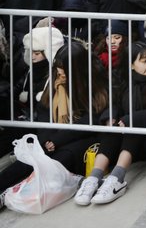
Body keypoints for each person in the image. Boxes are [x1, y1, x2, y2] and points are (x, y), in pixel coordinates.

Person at [0, 42, 108, 196]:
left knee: (54, 162)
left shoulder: (93, 83)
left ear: (76, 69)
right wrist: (46, 140)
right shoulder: (55, 81)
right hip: (52, 136)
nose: (59, 72)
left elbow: (90, 120)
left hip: (81, 139)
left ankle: (10, 194)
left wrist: (56, 140)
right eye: (58, 67)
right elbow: (43, 111)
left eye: (64, 68)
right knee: (31, 159)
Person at [74, 43, 146, 205]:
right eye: (144, 61)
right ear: (131, 65)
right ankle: (93, 178)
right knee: (113, 128)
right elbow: (114, 104)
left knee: (134, 125)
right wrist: (110, 118)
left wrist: (132, 120)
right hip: (126, 144)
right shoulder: (123, 81)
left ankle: (116, 180)